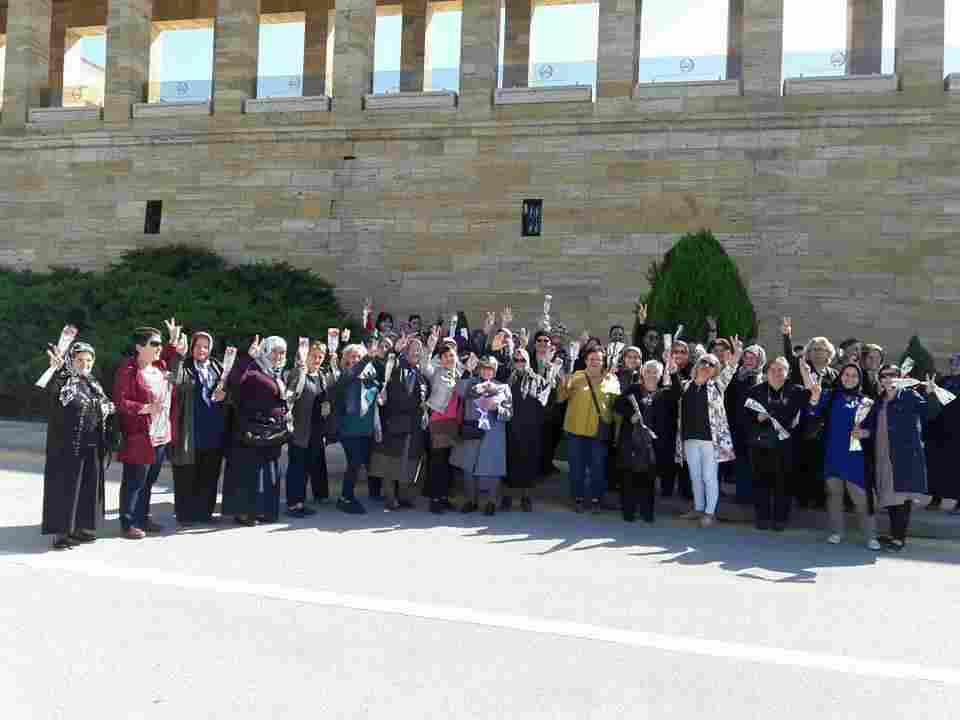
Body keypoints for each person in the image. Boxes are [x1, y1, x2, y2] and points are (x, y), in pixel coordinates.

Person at [858, 364, 942, 552]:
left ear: (901, 378)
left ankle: (899, 538)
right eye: (884, 376)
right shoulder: (879, 401)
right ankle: (895, 534)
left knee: (902, 498)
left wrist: (930, 393)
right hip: (883, 456)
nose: (888, 379)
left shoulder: (910, 396)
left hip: (904, 456)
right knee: (890, 496)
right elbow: (870, 425)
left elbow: (929, 413)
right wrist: (862, 432)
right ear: (880, 380)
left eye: (892, 375)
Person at [223, 335, 305, 526]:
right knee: (248, 473)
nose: (278, 355)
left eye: (282, 352)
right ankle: (244, 512)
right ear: (265, 351)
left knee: (267, 473)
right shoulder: (252, 368)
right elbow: (234, 382)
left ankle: (264, 511)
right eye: (274, 351)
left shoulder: (276, 372)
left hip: (270, 432)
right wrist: (248, 358)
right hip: (250, 430)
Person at [41, 341, 115, 550]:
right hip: (67, 447)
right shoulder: (65, 379)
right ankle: (61, 533)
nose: (85, 364)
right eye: (80, 360)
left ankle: (82, 528)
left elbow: (107, 404)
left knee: (88, 487)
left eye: (89, 360)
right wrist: (56, 370)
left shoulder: (93, 382)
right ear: (71, 360)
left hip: (91, 444)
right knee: (66, 488)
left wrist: (107, 408)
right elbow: (52, 392)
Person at [114, 322, 183, 540]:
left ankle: (142, 517)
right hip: (140, 434)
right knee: (134, 481)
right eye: (154, 344)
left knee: (148, 480)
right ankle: (128, 523)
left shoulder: (159, 366)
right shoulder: (129, 370)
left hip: (161, 433)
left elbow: (170, 355)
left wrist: (172, 340)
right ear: (139, 347)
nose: (158, 347)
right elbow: (121, 400)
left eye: (160, 344)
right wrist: (145, 408)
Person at [806, 363, 880, 549]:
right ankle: (836, 531)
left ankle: (871, 535)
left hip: (856, 456)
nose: (849, 378)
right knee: (834, 494)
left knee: (861, 497)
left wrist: (865, 433)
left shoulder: (867, 402)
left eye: (854, 375)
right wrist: (814, 399)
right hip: (832, 452)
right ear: (841, 376)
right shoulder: (829, 395)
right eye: (846, 374)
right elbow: (813, 414)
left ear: (860, 379)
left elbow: (875, 428)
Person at [673, 338, 742, 527]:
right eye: (704, 362)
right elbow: (671, 376)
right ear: (697, 365)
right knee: (695, 476)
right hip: (689, 438)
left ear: (716, 370)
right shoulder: (685, 385)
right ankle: (698, 508)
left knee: (709, 477)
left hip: (710, 440)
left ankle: (709, 513)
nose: (707, 366)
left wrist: (736, 354)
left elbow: (731, 369)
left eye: (712, 364)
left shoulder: (717, 385)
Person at [744, 357, 810, 531]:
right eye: (773, 369)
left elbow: (813, 395)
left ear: (787, 373)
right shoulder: (755, 391)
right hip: (761, 443)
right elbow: (743, 416)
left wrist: (805, 372)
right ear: (766, 372)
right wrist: (756, 418)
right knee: (761, 482)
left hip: (786, 444)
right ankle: (762, 517)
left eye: (781, 369)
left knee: (784, 483)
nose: (777, 373)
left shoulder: (796, 390)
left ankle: (780, 519)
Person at [169, 331, 227, 527]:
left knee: (210, 472)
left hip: (214, 430)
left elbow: (231, 387)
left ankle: (205, 512)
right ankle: (186, 514)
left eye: (206, 346)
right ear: (192, 347)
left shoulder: (218, 367)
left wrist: (225, 395)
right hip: (190, 429)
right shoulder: (184, 366)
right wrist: (178, 354)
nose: (202, 350)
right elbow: (174, 382)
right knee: (187, 473)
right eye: (198, 346)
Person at [557, 347, 621, 513]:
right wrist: (563, 384)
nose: (594, 362)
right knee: (576, 467)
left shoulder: (611, 379)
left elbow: (617, 407)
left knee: (598, 467)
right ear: (585, 361)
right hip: (575, 431)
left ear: (603, 362)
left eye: (598, 359)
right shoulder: (576, 376)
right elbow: (561, 397)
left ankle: (596, 500)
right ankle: (577, 498)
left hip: (598, 432)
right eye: (591, 359)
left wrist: (618, 431)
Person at [614, 359, 673, 523]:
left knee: (648, 479)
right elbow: (618, 405)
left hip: (653, 444)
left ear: (661, 375)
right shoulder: (633, 389)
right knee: (628, 478)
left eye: (655, 372)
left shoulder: (664, 393)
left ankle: (647, 512)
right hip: (631, 442)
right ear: (642, 373)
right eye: (648, 371)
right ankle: (628, 512)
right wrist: (629, 415)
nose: (651, 375)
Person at [453, 356, 513, 516]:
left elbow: (508, 414)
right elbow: (457, 389)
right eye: (484, 367)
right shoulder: (472, 383)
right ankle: (470, 500)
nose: (487, 371)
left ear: (495, 370)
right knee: (469, 467)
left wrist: (497, 408)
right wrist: (467, 370)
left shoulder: (503, 387)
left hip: (493, 434)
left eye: (491, 368)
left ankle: (491, 502)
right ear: (479, 369)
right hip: (473, 431)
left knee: (492, 469)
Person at [375, 336, 429, 511]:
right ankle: (390, 497)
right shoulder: (396, 367)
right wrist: (395, 351)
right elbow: (386, 365)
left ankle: (404, 496)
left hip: (414, 426)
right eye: (413, 348)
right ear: (406, 351)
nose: (417, 351)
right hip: (396, 422)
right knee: (392, 461)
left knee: (410, 461)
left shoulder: (421, 375)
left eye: (419, 349)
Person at [503, 347, 559, 511]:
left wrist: (551, 376)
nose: (519, 363)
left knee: (528, 461)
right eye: (516, 360)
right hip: (511, 427)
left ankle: (526, 497)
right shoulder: (509, 379)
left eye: (523, 360)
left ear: (528, 361)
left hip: (531, 428)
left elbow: (547, 400)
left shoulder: (537, 379)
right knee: (509, 461)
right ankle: (506, 495)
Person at [286, 341, 337, 517]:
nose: (317, 359)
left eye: (320, 356)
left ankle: (306, 499)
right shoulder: (298, 373)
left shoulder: (321, 375)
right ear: (306, 356)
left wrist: (327, 407)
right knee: (297, 467)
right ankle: (294, 504)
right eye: (313, 356)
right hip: (300, 428)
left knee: (309, 465)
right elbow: (290, 397)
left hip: (316, 429)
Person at [334, 342, 383, 514]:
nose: (356, 359)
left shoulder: (371, 378)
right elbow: (353, 373)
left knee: (364, 462)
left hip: (367, 429)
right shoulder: (345, 375)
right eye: (352, 356)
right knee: (354, 463)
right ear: (346, 359)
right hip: (349, 429)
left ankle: (373, 493)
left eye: (359, 357)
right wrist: (369, 356)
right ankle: (345, 498)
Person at [420, 327, 463, 514]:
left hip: (453, 422)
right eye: (444, 356)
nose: (448, 359)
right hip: (438, 421)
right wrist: (429, 348)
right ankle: (435, 499)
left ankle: (444, 497)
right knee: (437, 462)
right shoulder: (436, 372)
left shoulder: (460, 374)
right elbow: (424, 366)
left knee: (447, 462)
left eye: (451, 356)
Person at [725, 344, 766, 504]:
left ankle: (754, 496)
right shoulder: (736, 375)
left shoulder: (762, 378)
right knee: (741, 462)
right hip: (736, 424)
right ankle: (742, 495)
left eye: (753, 357)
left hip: (754, 426)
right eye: (746, 357)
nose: (749, 361)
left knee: (754, 462)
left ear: (759, 359)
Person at [926, 353, 960, 512]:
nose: (954, 365)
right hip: (939, 428)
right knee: (936, 464)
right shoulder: (943, 380)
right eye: (952, 362)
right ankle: (936, 497)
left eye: (957, 363)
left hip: (957, 430)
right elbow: (932, 397)